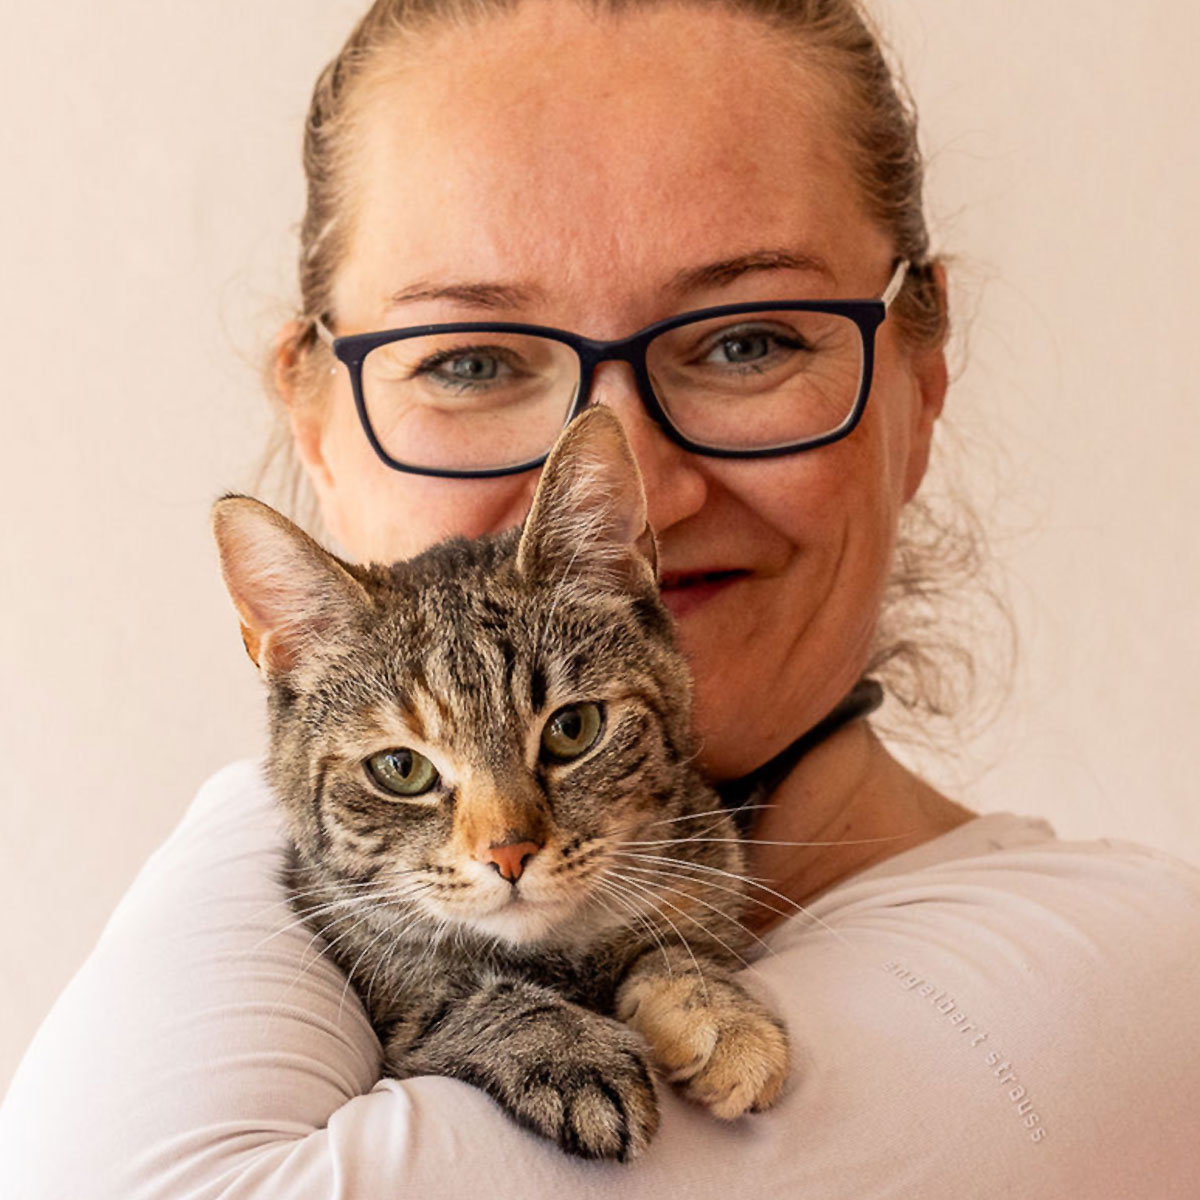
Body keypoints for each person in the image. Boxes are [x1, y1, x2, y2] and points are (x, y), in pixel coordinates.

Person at [2, 1, 1199, 1195]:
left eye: (747, 342)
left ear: (921, 382)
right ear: (315, 428)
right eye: (470, 361)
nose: (647, 498)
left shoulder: (1116, 984)